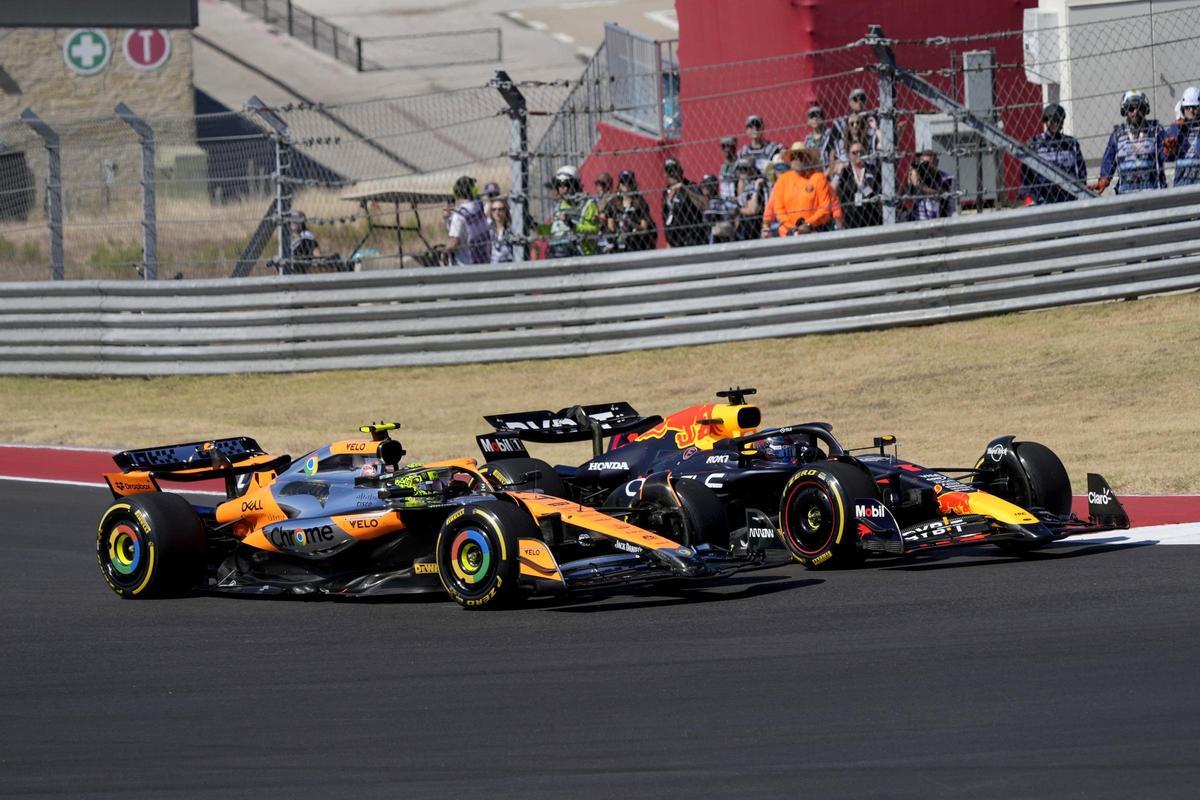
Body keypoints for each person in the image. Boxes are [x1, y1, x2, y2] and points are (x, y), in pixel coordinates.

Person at [1093, 90, 1168, 195]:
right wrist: (1105, 177)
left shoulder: (1156, 130)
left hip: (1153, 191)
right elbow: (1109, 159)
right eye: (1131, 109)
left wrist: (1169, 151)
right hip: (1126, 194)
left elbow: (1167, 152)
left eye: (1140, 108)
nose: (1135, 112)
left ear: (1146, 109)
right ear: (1125, 111)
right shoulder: (1117, 134)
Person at [761, 146, 841, 236]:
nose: (797, 159)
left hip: (814, 230)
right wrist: (791, 228)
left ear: (808, 159)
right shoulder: (782, 181)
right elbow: (773, 211)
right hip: (788, 233)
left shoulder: (818, 178)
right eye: (793, 156)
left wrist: (807, 224)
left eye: (801, 156)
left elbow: (831, 205)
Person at [1018, 103, 1087, 205]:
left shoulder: (1071, 143)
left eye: (1060, 120)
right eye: (1054, 120)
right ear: (1046, 121)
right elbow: (1026, 174)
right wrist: (1029, 196)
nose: (1057, 124)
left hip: (1068, 196)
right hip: (1043, 197)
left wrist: (1081, 189)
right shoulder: (1035, 144)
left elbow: (1082, 170)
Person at [546, 165, 601, 258]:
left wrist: (572, 225)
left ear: (575, 184)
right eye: (559, 184)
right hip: (558, 253)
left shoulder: (588, 204)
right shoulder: (560, 205)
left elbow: (594, 229)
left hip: (583, 255)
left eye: (567, 184)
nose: (563, 189)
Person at [833, 142, 882, 228]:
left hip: (872, 218)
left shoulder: (872, 170)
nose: (858, 155)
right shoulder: (845, 172)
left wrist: (864, 187)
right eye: (854, 153)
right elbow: (832, 191)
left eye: (861, 152)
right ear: (848, 155)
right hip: (850, 221)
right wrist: (838, 175)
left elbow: (876, 196)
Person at [445, 175, 491, 265]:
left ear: (456, 193)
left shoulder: (458, 215)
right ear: (474, 191)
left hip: (464, 265)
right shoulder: (479, 207)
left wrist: (444, 252)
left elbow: (454, 242)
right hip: (483, 260)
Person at [661, 158, 707, 248]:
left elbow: (704, 206)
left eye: (674, 170)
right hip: (674, 242)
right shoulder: (665, 192)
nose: (671, 174)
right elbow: (666, 218)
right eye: (668, 171)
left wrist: (685, 190)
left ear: (681, 171)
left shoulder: (691, 186)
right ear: (665, 174)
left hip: (692, 240)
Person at [606, 170, 656, 252]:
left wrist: (631, 224)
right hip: (618, 244)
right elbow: (610, 225)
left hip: (635, 243)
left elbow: (644, 227)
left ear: (633, 184)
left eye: (629, 182)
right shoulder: (614, 202)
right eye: (623, 182)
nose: (626, 185)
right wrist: (616, 228)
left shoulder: (640, 202)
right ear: (619, 184)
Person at [906, 150, 956, 220]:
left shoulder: (947, 178)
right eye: (923, 163)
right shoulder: (919, 176)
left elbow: (939, 196)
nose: (926, 167)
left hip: (940, 222)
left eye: (928, 163)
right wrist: (910, 179)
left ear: (936, 162)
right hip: (918, 222)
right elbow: (906, 196)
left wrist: (918, 185)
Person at [1166, 86, 1200, 187]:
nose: (1191, 111)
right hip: (1182, 181)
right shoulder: (1176, 128)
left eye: (1194, 107)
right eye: (1187, 107)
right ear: (1182, 108)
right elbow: (1168, 157)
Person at [803, 104, 845, 175]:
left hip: (829, 172)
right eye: (811, 116)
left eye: (817, 115)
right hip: (812, 174)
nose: (815, 118)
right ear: (808, 121)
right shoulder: (807, 139)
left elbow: (837, 155)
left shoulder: (831, 134)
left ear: (823, 118)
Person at [699, 173, 739, 244]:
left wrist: (734, 229)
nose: (704, 187)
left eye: (707, 185)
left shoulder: (723, 201)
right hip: (706, 239)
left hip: (723, 237)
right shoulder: (702, 202)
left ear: (714, 186)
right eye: (703, 185)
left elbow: (736, 211)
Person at [734, 157, 767, 241]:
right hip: (744, 228)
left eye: (745, 169)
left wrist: (738, 210)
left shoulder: (755, 184)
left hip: (754, 227)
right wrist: (741, 180)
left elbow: (752, 209)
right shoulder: (743, 184)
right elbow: (740, 199)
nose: (742, 171)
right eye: (740, 169)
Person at [488, 198, 514, 263]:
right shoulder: (488, 230)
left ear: (506, 211)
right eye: (494, 210)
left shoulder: (512, 230)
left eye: (500, 209)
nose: (497, 212)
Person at [717, 136, 739, 200]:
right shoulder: (724, 167)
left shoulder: (739, 165)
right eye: (724, 146)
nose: (726, 149)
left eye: (729, 146)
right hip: (724, 200)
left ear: (734, 147)